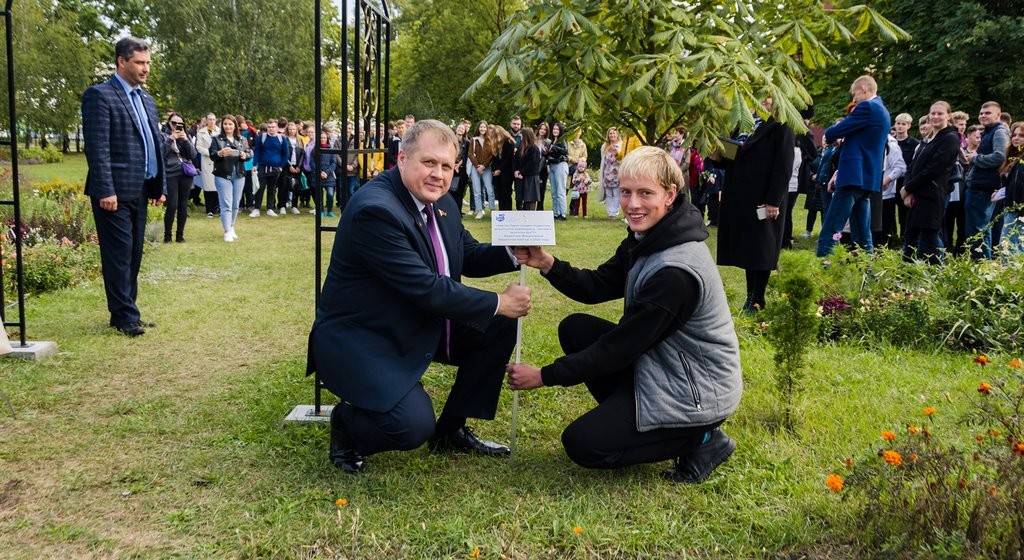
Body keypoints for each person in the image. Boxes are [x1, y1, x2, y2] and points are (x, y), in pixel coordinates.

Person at [306, 120, 532, 474]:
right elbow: (426, 288)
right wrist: (499, 302)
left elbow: (465, 254)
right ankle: (347, 426)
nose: (438, 174)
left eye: (446, 166)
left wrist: (512, 252)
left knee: (499, 326)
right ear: (402, 158)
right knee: (410, 426)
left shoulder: (441, 203)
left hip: (415, 322)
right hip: (365, 338)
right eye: (429, 163)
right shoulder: (375, 211)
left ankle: (452, 429)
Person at [508, 146, 741, 483]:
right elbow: (598, 285)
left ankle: (701, 437)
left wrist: (543, 375)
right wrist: (546, 262)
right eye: (626, 192)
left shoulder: (675, 273)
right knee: (575, 328)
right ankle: (636, 415)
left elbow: (618, 349)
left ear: (670, 194)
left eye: (645, 193)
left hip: (697, 393)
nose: (632, 204)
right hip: (664, 365)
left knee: (583, 444)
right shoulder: (646, 237)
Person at [81, 37, 165, 337]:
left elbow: (155, 143)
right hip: (112, 192)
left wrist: (159, 185)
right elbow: (97, 147)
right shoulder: (100, 96)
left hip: (141, 188)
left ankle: (128, 310)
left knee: (134, 254)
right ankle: (124, 316)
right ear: (121, 61)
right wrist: (105, 189)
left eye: (148, 63)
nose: (146, 69)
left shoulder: (147, 100)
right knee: (119, 253)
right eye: (140, 63)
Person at [716, 98, 795, 312]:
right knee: (749, 249)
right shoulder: (746, 122)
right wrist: (717, 154)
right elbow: (733, 155)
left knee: (762, 249)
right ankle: (751, 296)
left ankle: (757, 299)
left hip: (763, 198)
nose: (763, 100)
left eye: (768, 96)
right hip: (740, 196)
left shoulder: (783, 125)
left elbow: (783, 166)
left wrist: (773, 201)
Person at [815, 75, 891, 257]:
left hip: (853, 178)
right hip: (866, 179)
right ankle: (868, 271)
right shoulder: (883, 111)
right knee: (863, 233)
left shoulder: (867, 106)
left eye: (855, 93)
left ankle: (823, 266)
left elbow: (838, 129)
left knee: (832, 226)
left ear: (864, 88)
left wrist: (828, 136)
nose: (854, 99)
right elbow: (864, 143)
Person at [900, 101, 960, 264]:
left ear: (948, 115)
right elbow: (913, 166)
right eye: (932, 113)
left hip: (932, 195)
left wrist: (908, 188)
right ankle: (906, 274)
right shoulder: (928, 138)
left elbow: (933, 169)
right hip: (917, 195)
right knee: (910, 238)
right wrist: (907, 188)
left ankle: (938, 276)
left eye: (940, 113)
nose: (935, 116)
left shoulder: (950, 139)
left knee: (929, 240)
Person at [964, 101, 1010, 260]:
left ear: (998, 115)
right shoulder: (988, 132)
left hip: (985, 187)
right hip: (980, 186)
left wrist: (976, 158)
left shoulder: (999, 132)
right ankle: (985, 265)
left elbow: (1001, 156)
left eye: (988, 113)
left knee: (978, 229)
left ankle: (981, 265)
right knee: (981, 228)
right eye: (981, 113)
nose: (983, 115)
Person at [208, 114, 253, 242]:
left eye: (230, 124)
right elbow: (212, 155)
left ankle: (231, 226)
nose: (228, 126)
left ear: (235, 126)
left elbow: (250, 152)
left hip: (239, 174)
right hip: (222, 174)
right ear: (222, 125)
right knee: (226, 203)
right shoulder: (217, 139)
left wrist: (245, 155)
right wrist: (219, 153)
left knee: (235, 204)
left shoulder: (242, 139)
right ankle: (227, 231)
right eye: (225, 124)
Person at [162, 112, 196, 244]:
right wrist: (171, 138)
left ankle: (180, 235)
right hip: (171, 173)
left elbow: (193, 155)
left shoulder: (186, 137)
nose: (176, 126)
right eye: (173, 123)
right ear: (169, 124)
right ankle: (167, 236)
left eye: (179, 123)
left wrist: (186, 140)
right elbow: (161, 152)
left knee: (183, 204)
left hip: (185, 173)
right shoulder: (163, 136)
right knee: (172, 204)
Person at [250, 120, 290, 218]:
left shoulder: (282, 139)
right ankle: (256, 209)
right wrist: (254, 165)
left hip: (276, 168)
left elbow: (286, 153)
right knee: (260, 187)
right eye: (269, 127)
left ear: (277, 128)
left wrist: (281, 166)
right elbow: (257, 152)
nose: (271, 129)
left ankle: (270, 209)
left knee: (272, 189)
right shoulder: (261, 137)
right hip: (263, 166)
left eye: (273, 127)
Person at [997, 122, 1024, 256]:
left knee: (1010, 246)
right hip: (1010, 208)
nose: (1016, 138)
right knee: (1009, 245)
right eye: (1014, 135)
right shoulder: (1014, 158)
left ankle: (1015, 275)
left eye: (1021, 135)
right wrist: (1001, 193)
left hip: (1019, 210)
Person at [467, 120, 495, 219]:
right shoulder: (473, 140)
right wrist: (477, 166)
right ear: (478, 128)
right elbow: (470, 154)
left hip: (486, 168)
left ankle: (492, 210)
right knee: (477, 190)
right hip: (476, 168)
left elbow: (492, 155)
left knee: (490, 190)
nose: (482, 129)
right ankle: (479, 210)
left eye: (484, 127)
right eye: (481, 127)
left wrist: (484, 166)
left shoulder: (490, 140)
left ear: (486, 128)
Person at [195, 112, 220, 218]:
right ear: (206, 120)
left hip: (219, 160)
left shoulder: (220, 131)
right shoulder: (201, 132)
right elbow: (198, 147)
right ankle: (209, 209)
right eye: (209, 119)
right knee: (208, 186)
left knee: (219, 185)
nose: (212, 121)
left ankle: (218, 207)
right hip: (207, 160)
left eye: (213, 119)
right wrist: (209, 153)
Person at [598, 127, 624, 219]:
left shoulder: (621, 145)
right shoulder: (604, 146)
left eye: (614, 133)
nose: (612, 135)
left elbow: (622, 159)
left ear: (617, 134)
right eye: (610, 133)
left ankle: (615, 212)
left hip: (617, 172)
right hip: (607, 172)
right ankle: (610, 212)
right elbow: (603, 160)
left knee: (616, 193)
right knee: (608, 193)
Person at [515, 127, 544, 210]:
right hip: (522, 176)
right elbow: (515, 159)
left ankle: (531, 217)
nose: (520, 137)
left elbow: (532, 163)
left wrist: (522, 173)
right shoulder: (521, 148)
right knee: (522, 199)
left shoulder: (534, 149)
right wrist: (516, 170)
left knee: (530, 199)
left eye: (521, 135)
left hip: (531, 177)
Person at [547, 122, 570, 220]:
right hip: (552, 165)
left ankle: (563, 213)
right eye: (554, 129)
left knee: (561, 191)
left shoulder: (562, 141)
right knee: (554, 192)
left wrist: (552, 148)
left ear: (560, 131)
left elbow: (564, 151)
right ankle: (555, 213)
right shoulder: (552, 141)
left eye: (557, 129)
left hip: (560, 165)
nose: (555, 131)